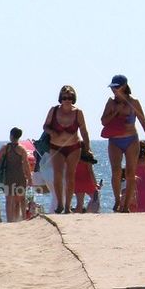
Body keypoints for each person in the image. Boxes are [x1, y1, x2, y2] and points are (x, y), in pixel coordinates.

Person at [101, 76, 145, 213]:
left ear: (124, 86)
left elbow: (143, 121)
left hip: (131, 139)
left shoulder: (133, 102)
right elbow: (103, 121)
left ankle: (126, 205)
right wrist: (115, 112)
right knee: (116, 171)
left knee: (130, 173)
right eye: (112, 87)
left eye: (117, 87)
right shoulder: (111, 103)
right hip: (115, 141)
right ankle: (118, 199)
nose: (114, 89)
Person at [43, 86, 92, 214]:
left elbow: (84, 131)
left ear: (73, 98)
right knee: (57, 174)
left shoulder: (78, 112)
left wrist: (88, 149)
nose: (67, 100)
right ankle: (60, 203)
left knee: (70, 175)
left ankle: (68, 206)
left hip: (73, 147)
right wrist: (52, 132)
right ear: (61, 98)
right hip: (56, 147)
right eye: (64, 97)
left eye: (70, 97)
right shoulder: (54, 111)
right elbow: (45, 126)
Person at [0, 127, 33, 222]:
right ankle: (23, 218)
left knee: (9, 200)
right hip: (20, 176)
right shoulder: (21, 149)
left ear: (11, 136)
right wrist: (29, 178)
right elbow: (26, 165)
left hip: (8, 176)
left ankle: (10, 220)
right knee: (21, 199)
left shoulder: (4, 148)